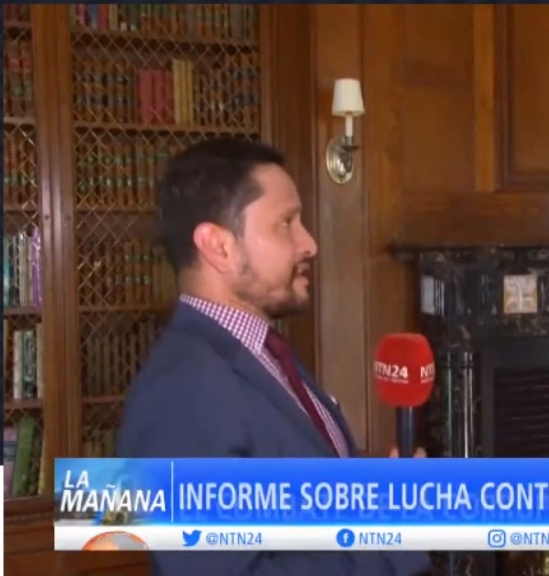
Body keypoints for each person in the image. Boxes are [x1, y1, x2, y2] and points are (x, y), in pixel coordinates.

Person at [117, 138, 431, 576]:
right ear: (218, 246)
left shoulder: (265, 354)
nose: (309, 243)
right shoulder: (180, 394)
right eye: (286, 223)